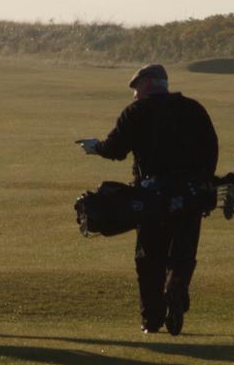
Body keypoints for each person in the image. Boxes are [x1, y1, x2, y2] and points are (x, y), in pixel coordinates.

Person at [77, 64, 218, 335]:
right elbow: (211, 149)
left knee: (149, 258)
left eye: (137, 87)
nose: (134, 94)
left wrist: (96, 148)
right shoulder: (194, 109)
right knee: (183, 253)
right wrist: (202, 183)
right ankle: (175, 290)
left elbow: (116, 149)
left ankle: (151, 319)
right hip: (190, 194)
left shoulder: (137, 112)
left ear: (150, 83)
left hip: (151, 196)